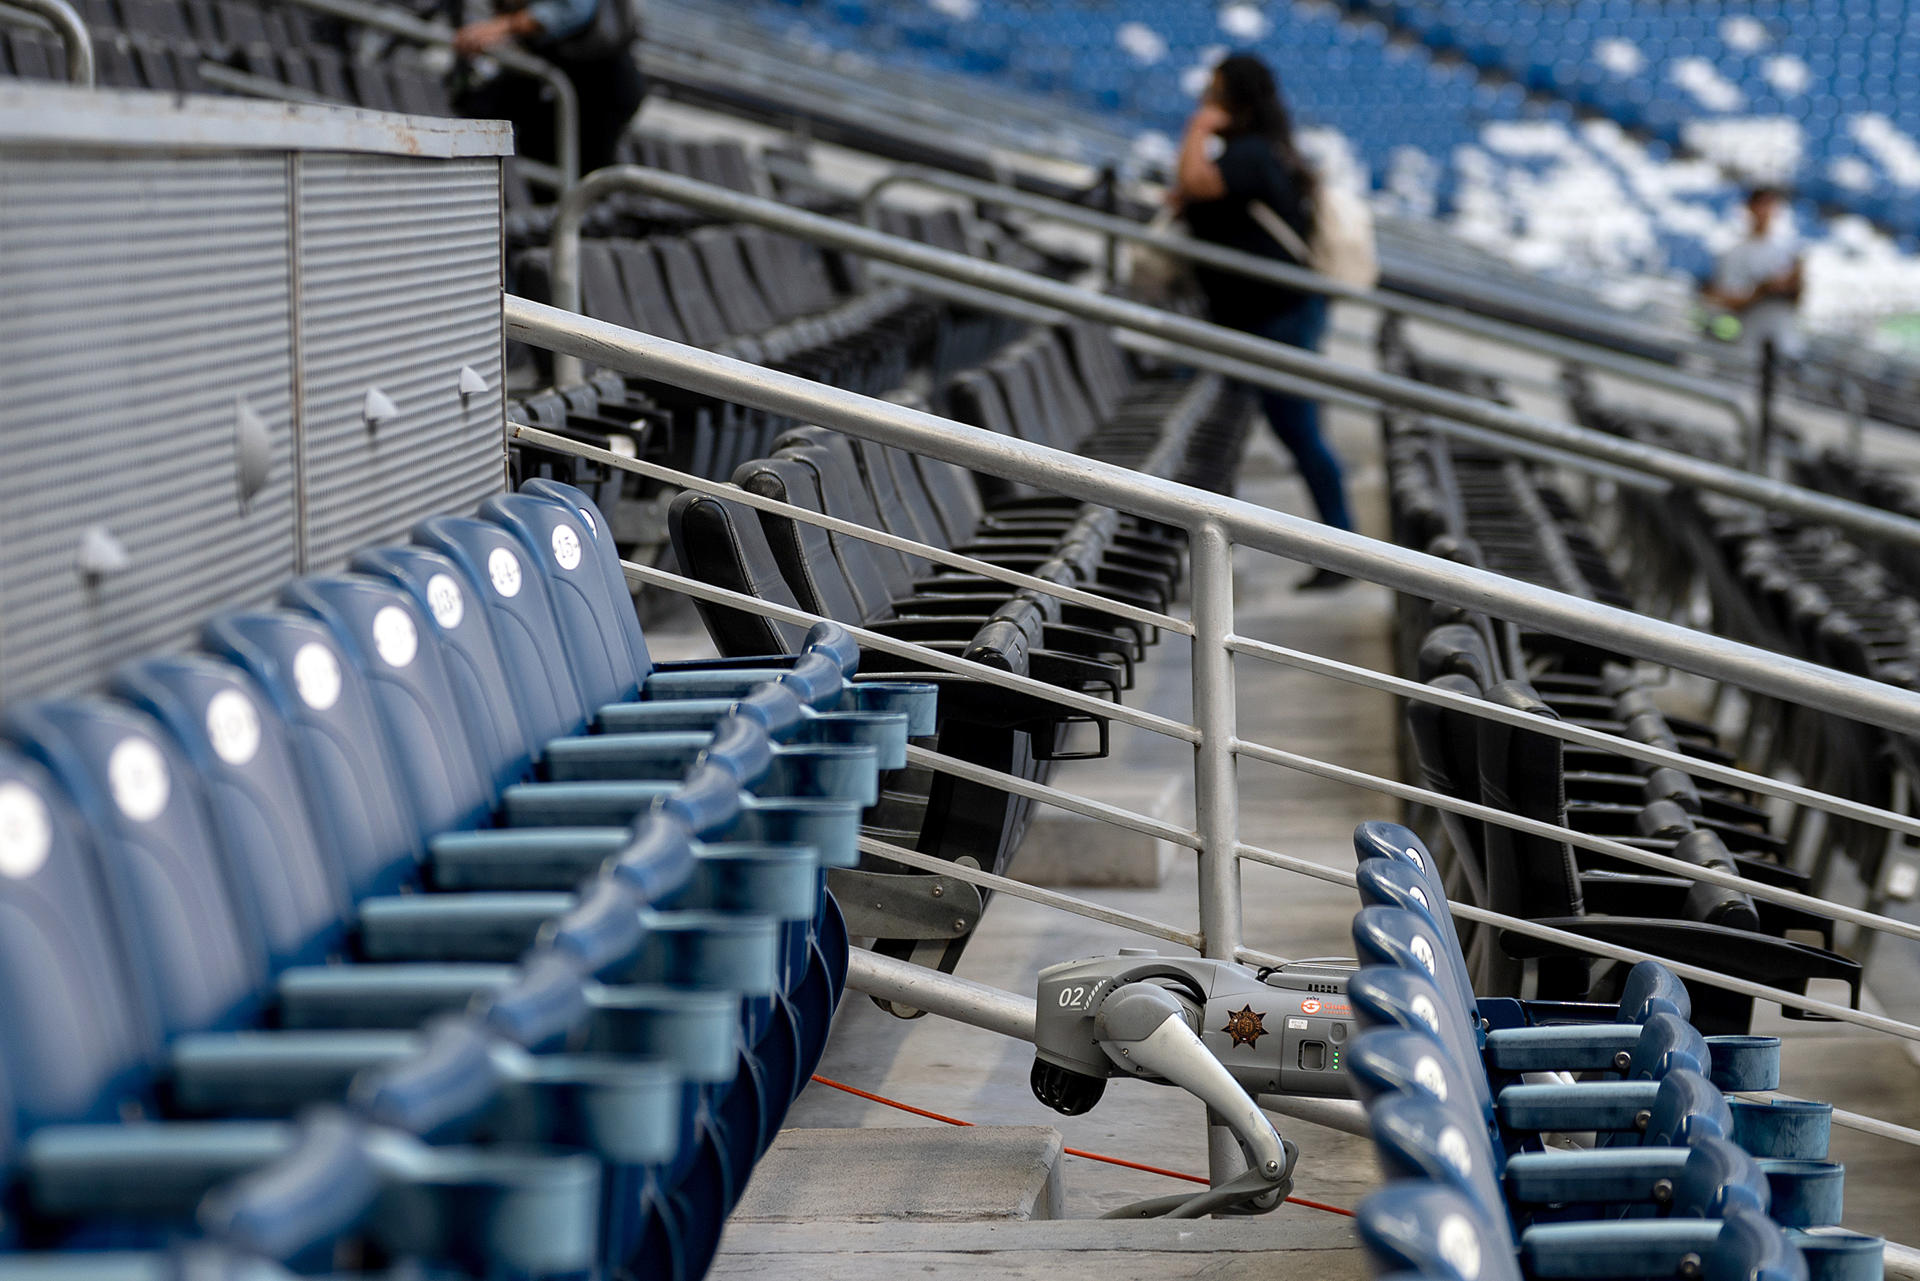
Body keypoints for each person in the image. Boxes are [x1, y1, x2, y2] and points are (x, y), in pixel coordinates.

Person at [1172, 52, 1354, 591]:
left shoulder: (1249, 153)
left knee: (1297, 428)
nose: (1205, 100)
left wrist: (1198, 128)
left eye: (1214, 92)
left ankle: (1343, 547)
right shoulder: (1259, 151)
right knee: (1225, 420)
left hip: (1276, 316)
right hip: (1259, 316)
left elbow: (1198, 183)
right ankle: (1217, 557)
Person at [453, 0, 645, 175]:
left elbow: (575, 8)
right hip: (569, 81)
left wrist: (504, 26)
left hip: (598, 88)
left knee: (576, 171)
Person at [1703, 186, 1805, 362]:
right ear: (1749, 208)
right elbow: (1726, 298)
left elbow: (1797, 299)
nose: (1765, 211)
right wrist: (1764, 289)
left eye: (1770, 205)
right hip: (1748, 349)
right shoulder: (1734, 253)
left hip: (1784, 347)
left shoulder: (1788, 252)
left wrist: (1796, 283)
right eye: (1761, 205)